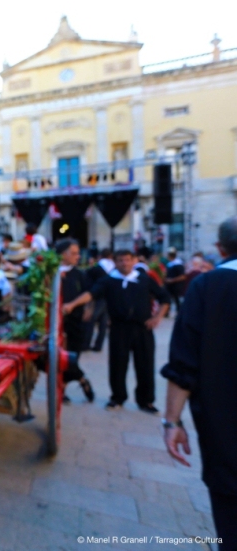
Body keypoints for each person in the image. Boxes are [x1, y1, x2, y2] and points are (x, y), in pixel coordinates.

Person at [161, 216, 237, 549]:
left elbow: (184, 364)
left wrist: (172, 421)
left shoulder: (207, 287)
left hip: (227, 431)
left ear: (220, 247)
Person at [62, 249, 170, 413]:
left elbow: (164, 299)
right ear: (115, 262)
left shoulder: (144, 279)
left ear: (134, 261)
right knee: (118, 364)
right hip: (119, 329)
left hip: (142, 329)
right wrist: (72, 305)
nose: (124, 263)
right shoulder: (109, 281)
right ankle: (117, 397)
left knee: (145, 364)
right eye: (120, 260)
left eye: (127, 260)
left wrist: (157, 317)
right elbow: (91, 294)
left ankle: (146, 400)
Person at [54, 239, 95, 403]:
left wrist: (88, 308)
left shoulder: (80, 274)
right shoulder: (50, 272)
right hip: (54, 322)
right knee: (56, 357)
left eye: (78, 253)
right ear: (63, 254)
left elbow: (89, 294)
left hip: (75, 322)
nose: (78, 256)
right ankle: (81, 379)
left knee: (72, 355)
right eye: (74, 253)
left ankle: (65, 387)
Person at [83, 249, 113, 352]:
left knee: (90, 320)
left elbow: (87, 280)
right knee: (103, 323)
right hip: (109, 297)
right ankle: (98, 345)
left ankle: (86, 343)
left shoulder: (96, 268)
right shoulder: (114, 267)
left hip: (96, 296)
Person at [164, 248, 185, 315]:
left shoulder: (178, 264)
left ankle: (179, 313)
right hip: (169, 286)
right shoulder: (170, 264)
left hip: (176, 285)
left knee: (177, 300)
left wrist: (172, 280)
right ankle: (166, 312)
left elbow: (182, 276)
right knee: (167, 298)